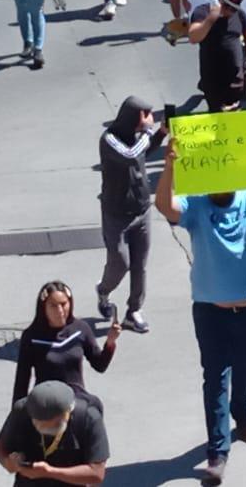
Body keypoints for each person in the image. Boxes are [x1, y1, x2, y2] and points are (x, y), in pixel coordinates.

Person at [154, 134, 246, 484]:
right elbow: (165, 206)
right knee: (215, 376)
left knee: (245, 364)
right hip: (210, 310)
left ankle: (244, 414)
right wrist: (170, 166)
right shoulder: (197, 205)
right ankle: (217, 451)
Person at [96, 96, 166, 333]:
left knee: (140, 264)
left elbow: (144, 152)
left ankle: (134, 310)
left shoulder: (137, 138)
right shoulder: (109, 140)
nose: (149, 120)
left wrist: (160, 134)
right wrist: (148, 133)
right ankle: (104, 290)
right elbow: (129, 156)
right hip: (117, 213)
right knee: (120, 262)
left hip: (142, 209)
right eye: (144, 116)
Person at [14, 281, 120, 410]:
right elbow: (21, 382)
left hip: (76, 401)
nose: (60, 311)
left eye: (63, 304)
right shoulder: (31, 337)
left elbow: (100, 365)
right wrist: (17, 416)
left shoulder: (81, 329)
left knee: (96, 410)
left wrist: (110, 342)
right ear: (43, 308)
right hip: (47, 405)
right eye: (53, 306)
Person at [0, 381, 108, 486]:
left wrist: (50, 472)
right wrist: (7, 462)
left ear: (67, 412)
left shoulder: (88, 417)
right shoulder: (22, 410)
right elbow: (0, 445)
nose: (41, 427)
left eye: (50, 424)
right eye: (37, 422)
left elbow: (96, 473)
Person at [185, 0, 246, 112]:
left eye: (232, 8)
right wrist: (210, 19)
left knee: (238, 120)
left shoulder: (240, 15)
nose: (228, 11)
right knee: (218, 119)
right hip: (213, 80)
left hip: (237, 80)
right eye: (226, 5)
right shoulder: (202, 12)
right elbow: (193, 37)